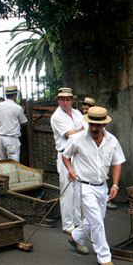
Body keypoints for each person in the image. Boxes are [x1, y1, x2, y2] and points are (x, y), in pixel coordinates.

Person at [62, 106, 125, 265]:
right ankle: (104, 257)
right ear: (88, 123)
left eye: (98, 125)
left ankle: (75, 237)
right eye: (92, 124)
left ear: (104, 125)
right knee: (96, 220)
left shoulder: (112, 141)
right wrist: (71, 170)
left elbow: (118, 162)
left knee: (95, 219)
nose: (94, 128)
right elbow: (65, 156)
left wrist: (115, 184)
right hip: (83, 186)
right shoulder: (77, 139)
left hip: (102, 186)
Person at [50, 87, 85, 233]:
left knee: (78, 190)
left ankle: (78, 221)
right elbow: (70, 135)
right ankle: (68, 225)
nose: (65, 102)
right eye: (62, 99)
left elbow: (85, 129)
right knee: (68, 191)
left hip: (77, 155)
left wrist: (81, 130)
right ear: (58, 100)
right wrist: (83, 130)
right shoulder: (56, 117)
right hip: (65, 155)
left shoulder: (77, 113)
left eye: (68, 99)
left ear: (72, 100)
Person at [0, 86, 27, 161]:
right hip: (12, 139)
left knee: (1, 160)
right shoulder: (18, 108)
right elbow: (24, 122)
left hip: (0, 137)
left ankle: (1, 173)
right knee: (13, 161)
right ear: (15, 95)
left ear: (6, 95)